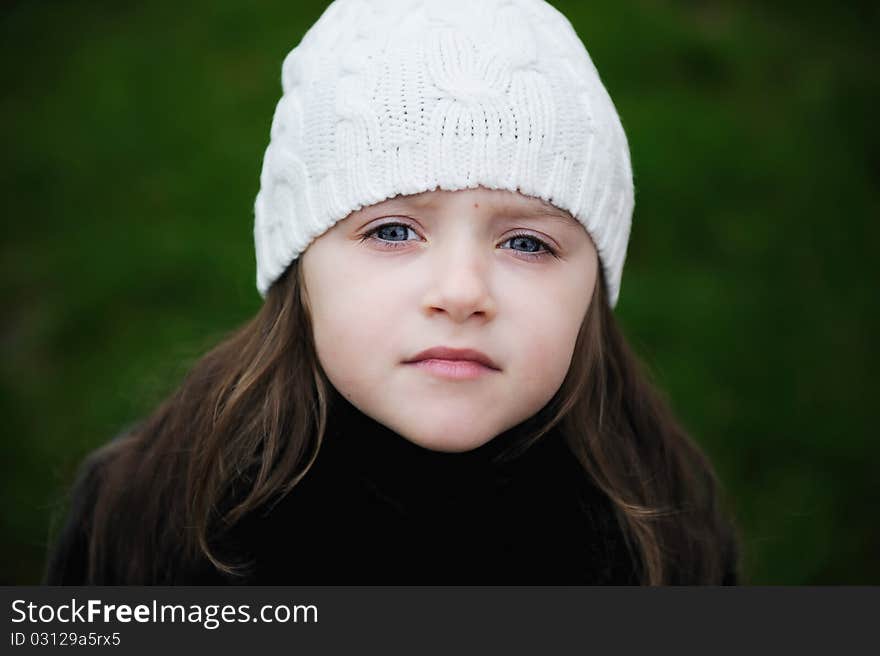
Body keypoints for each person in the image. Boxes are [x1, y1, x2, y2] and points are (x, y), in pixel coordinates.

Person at [44, 0, 740, 585]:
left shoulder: (659, 527)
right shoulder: (156, 514)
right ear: (300, 265)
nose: (462, 292)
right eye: (393, 231)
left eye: (527, 243)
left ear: (593, 284)